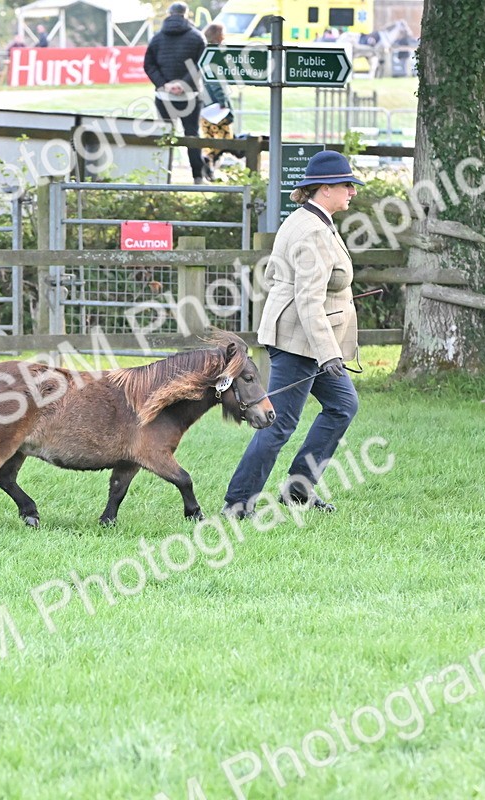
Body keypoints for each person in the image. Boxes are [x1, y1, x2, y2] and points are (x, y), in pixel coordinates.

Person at [222, 150, 365, 516]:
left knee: (343, 405)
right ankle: (238, 503)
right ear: (326, 188)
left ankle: (299, 489)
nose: (352, 191)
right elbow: (307, 298)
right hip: (300, 342)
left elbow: (277, 278)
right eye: (347, 185)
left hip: (305, 337)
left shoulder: (306, 219)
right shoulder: (314, 230)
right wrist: (328, 352)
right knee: (279, 422)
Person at [143, 2, 206, 184]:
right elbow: (200, 64)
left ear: (169, 14)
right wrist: (183, 84)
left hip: (164, 96)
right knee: (192, 136)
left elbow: (149, 65)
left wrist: (165, 85)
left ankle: (162, 177)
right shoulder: (197, 37)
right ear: (186, 15)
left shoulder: (157, 38)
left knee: (165, 137)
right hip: (190, 97)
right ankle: (198, 177)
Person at [199, 22, 234, 181]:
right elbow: (215, 82)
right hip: (216, 107)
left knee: (211, 138)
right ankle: (208, 161)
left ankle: (209, 165)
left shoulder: (202, 52)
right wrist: (223, 102)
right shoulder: (213, 54)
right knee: (224, 139)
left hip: (205, 106)